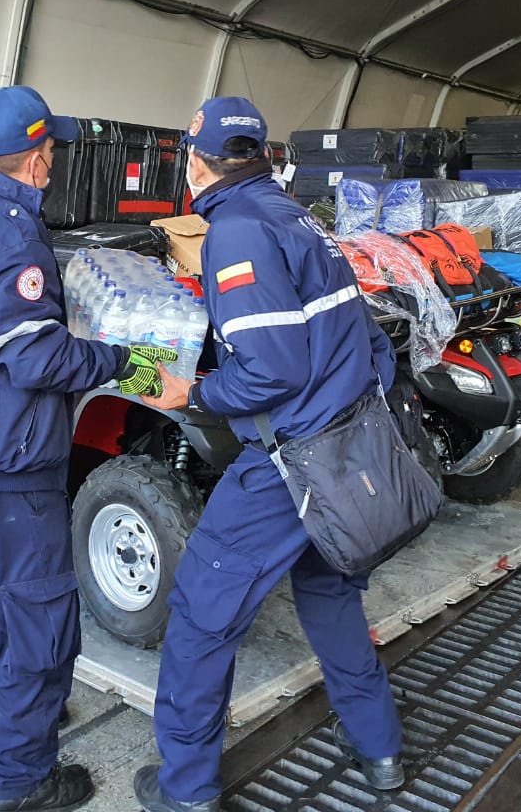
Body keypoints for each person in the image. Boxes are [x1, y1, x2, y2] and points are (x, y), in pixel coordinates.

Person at [0, 85, 172, 812]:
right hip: (3, 455)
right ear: (34, 156)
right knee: (43, 620)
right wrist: (119, 361)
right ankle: (21, 782)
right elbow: (36, 360)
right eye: (50, 148)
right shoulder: (9, 233)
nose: (54, 161)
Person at [132, 96, 405, 812]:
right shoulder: (296, 217)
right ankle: (380, 751)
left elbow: (270, 370)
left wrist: (191, 392)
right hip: (350, 446)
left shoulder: (239, 231)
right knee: (327, 593)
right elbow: (371, 344)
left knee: (200, 611)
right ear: (261, 154)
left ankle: (185, 790)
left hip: (291, 462)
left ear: (195, 162)